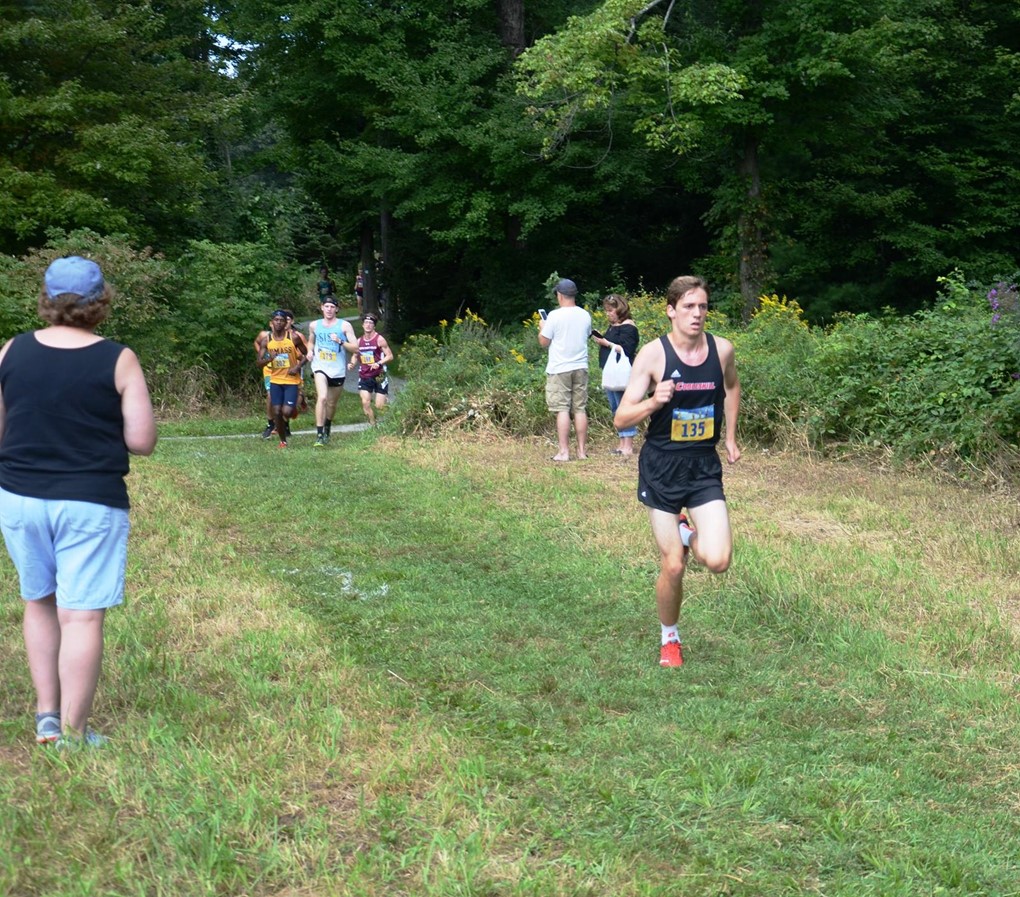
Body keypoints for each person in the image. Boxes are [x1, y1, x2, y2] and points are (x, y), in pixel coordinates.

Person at [0, 256, 157, 747]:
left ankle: (47, 715)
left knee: (39, 601)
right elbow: (142, 440)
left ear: (46, 298)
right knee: (82, 615)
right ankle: (73, 733)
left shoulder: (11, 351)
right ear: (99, 303)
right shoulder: (118, 358)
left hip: (21, 498)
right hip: (90, 500)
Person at [613, 276, 740, 668]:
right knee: (673, 563)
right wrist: (654, 401)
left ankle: (687, 531)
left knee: (718, 560)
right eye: (688, 306)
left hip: (703, 465)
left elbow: (732, 388)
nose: (697, 314)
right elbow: (621, 419)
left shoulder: (721, 351)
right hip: (662, 466)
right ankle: (670, 638)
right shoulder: (653, 356)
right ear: (670, 310)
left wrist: (731, 437)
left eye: (702, 306)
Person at [538, 278, 592, 461]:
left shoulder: (554, 316)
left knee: (562, 409)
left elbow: (544, 342)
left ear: (559, 295)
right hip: (580, 366)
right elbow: (587, 335)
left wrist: (542, 328)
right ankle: (582, 452)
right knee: (580, 409)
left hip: (560, 367)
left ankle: (564, 452)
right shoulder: (585, 315)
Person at [307, 296, 358, 446]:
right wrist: (310, 351)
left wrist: (341, 341)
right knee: (322, 398)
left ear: (336, 309)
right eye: (326, 306)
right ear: (321, 307)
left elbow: (356, 348)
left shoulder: (345, 326)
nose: (329, 309)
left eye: (332, 307)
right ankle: (319, 434)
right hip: (320, 366)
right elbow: (311, 341)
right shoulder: (314, 325)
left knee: (331, 404)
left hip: (337, 369)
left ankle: (327, 426)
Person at [592, 294, 640, 455]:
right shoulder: (614, 326)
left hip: (623, 372)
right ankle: (621, 442)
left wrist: (606, 343)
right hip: (610, 372)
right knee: (615, 408)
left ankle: (628, 445)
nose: (608, 313)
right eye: (606, 310)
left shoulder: (629, 327)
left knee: (624, 407)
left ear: (620, 309)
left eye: (611, 310)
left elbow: (627, 349)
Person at [255, 310, 307, 447]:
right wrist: (269, 359)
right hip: (275, 380)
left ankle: (293, 408)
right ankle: (283, 441)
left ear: (286, 323)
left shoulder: (293, 337)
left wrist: (297, 367)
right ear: (272, 322)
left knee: (287, 412)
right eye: (276, 320)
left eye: (281, 320)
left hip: (291, 380)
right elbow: (258, 363)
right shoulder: (267, 340)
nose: (278, 322)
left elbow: (307, 355)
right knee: (277, 411)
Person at [351, 312, 394, 426]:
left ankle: (387, 405)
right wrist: (351, 363)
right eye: (366, 322)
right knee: (365, 402)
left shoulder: (380, 339)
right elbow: (355, 355)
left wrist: (379, 363)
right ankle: (373, 426)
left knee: (379, 406)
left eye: (371, 323)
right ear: (363, 325)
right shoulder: (359, 341)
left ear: (374, 326)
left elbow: (390, 356)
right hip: (364, 376)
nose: (368, 325)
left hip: (379, 375)